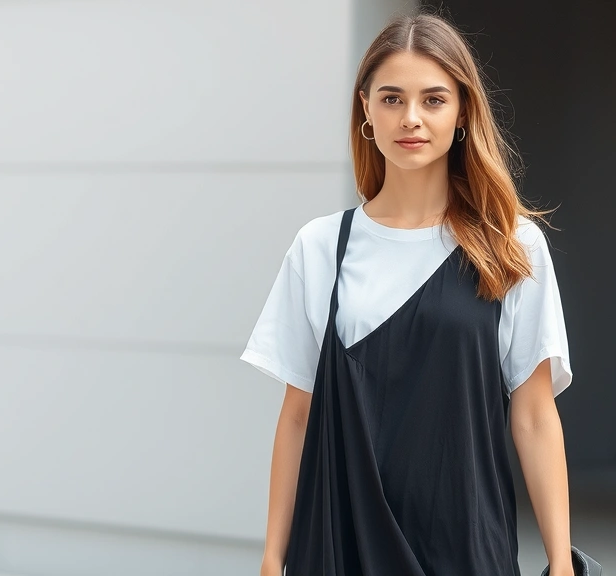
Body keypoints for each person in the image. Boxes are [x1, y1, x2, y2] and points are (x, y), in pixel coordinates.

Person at [242, 11, 575, 576]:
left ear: (463, 111)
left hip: (467, 548)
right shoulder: (321, 246)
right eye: (392, 98)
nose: (411, 118)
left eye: (434, 99)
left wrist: (561, 562)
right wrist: (273, 559)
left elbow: (535, 415)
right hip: (339, 547)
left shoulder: (513, 244)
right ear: (366, 110)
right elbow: (298, 416)